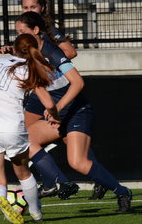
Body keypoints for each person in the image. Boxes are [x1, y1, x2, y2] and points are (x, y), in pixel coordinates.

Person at [15, 11, 133, 213]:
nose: (19, 36)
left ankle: (122, 192)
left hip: (77, 112)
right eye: (17, 32)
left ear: (35, 30)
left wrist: (58, 109)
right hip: (58, 115)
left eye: (22, 31)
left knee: (78, 162)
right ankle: (58, 183)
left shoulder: (53, 53)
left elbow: (78, 82)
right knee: (25, 139)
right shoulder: (29, 55)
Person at [18, 0, 108, 201]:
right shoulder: (23, 28)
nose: (29, 10)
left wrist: (48, 60)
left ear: (42, 8)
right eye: (25, 7)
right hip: (39, 90)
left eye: (33, 7)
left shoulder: (47, 29)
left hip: (55, 89)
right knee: (25, 135)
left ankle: (97, 178)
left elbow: (70, 52)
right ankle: (50, 181)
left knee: (66, 136)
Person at [0, 33, 60, 224]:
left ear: (14, 48)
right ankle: (36, 213)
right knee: (24, 173)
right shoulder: (30, 69)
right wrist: (54, 115)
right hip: (11, 127)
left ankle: (1, 198)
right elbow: (49, 103)